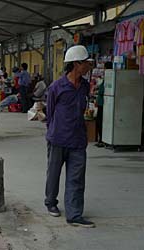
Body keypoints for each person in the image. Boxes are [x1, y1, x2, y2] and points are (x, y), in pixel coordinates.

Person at [45, 45, 95, 228]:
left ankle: (74, 214)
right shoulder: (57, 87)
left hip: (78, 140)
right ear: (76, 64)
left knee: (76, 178)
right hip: (58, 139)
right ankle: (51, 202)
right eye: (86, 63)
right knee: (54, 174)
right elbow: (49, 113)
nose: (89, 66)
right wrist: (53, 131)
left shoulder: (85, 86)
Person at [95, 61, 112, 147]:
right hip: (103, 102)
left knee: (100, 121)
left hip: (103, 103)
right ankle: (101, 139)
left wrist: (98, 90)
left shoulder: (109, 77)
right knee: (100, 121)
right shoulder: (108, 77)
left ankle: (101, 139)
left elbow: (102, 90)